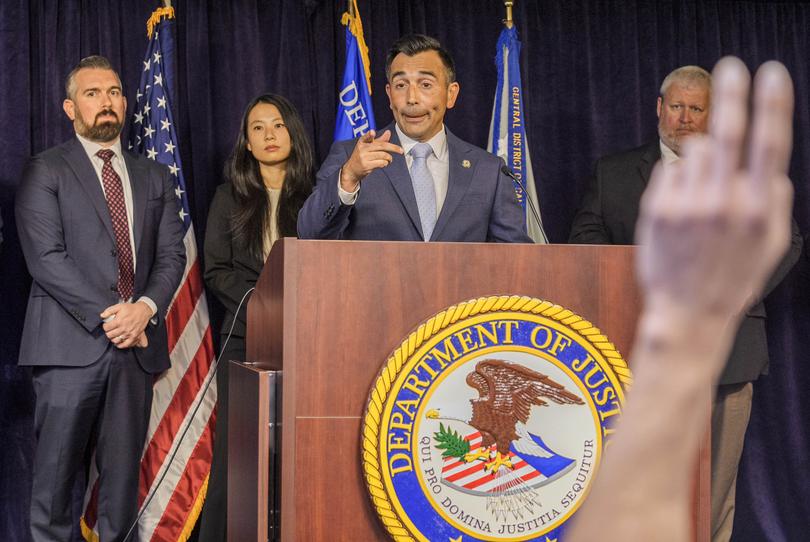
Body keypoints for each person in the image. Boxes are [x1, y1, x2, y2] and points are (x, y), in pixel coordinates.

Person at [569, 64, 802, 540]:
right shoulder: (613, 172)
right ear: (659, 109)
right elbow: (585, 240)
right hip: (630, 354)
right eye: (676, 106)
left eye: (697, 109)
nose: (685, 118)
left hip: (729, 356)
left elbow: (788, 240)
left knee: (715, 488)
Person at [15, 55, 186, 541]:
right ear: (71, 108)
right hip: (68, 349)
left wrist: (145, 310)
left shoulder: (153, 175)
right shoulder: (45, 169)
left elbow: (171, 255)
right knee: (53, 488)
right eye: (92, 94)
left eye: (113, 92)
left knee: (121, 488)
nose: (106, 102)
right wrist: (114, 317)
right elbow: (45, 258)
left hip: (135, 351)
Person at [198, 93, 314, 541]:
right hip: (244, 339)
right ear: (246, 143)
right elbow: (216, 270)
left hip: (306, 337)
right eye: (258, 128)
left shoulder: (316, 195)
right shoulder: (229, 196)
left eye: (278, 125)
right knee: (238, 455)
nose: (269, 135)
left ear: (293, 133)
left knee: (298, 451)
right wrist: (263, 304)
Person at [297, 34, 532, 243]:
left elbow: (516, 262)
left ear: (451, 94)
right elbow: (310, 235)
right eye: (401, 85)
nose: (412, 98)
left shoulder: (489, 172)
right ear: (389, 95)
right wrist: (348, 178)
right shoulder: (351, 157)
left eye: (426, 84)